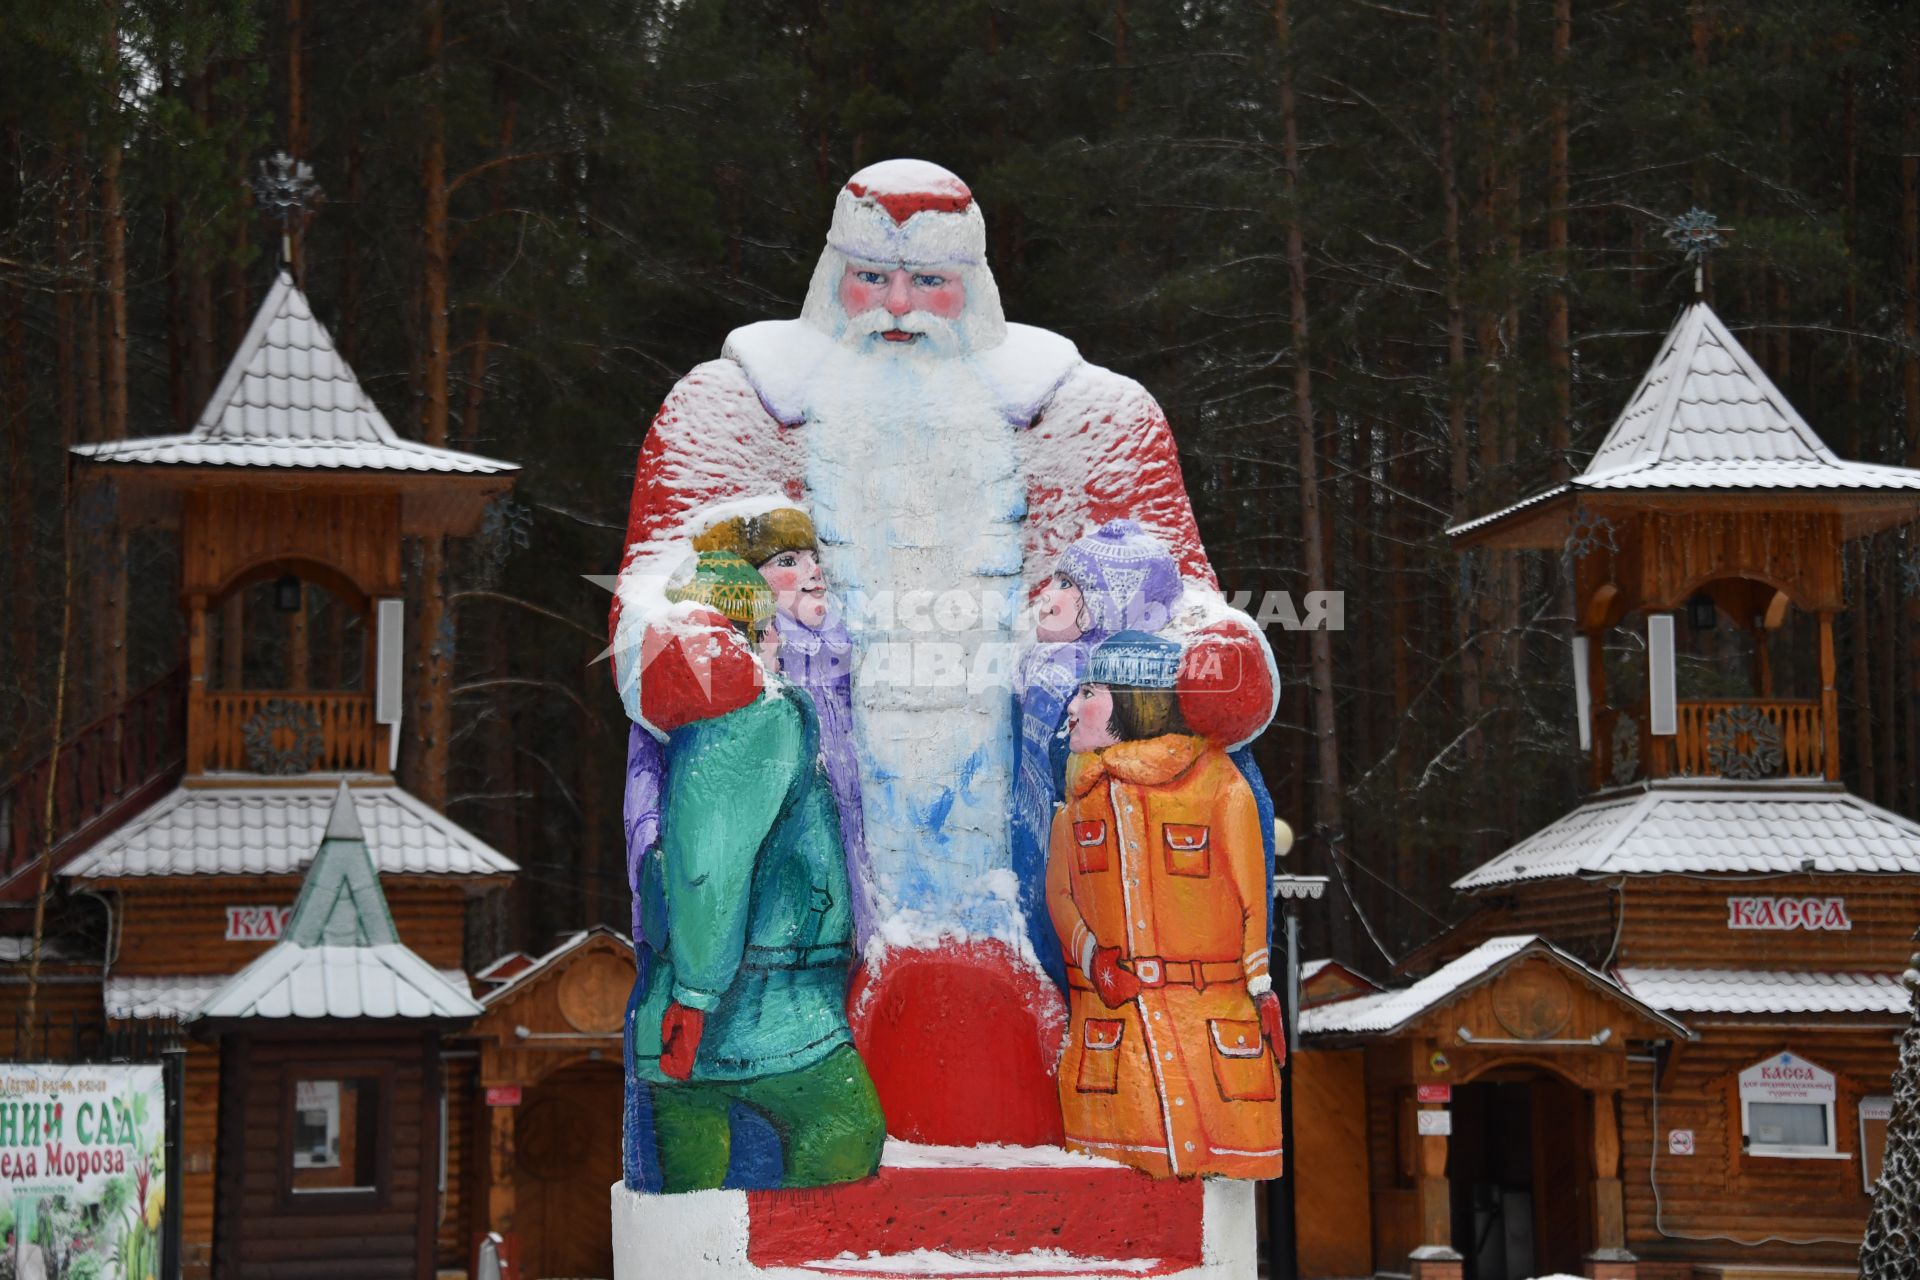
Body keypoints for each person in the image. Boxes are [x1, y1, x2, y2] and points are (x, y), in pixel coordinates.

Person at [610, 158, 1278, 1144]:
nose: (897, 309)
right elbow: (662, 581)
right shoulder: (731, 408)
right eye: (871, 279)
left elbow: (1173, 588)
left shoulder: (1090, 415)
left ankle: (1133, 1059)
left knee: (1193, 769)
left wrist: (1206, 656)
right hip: (823, 795)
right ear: (830, 281)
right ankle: (747, 1045)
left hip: (1026, 805)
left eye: (928, 283)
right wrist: (683, 644)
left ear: (974, 288)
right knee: (736, 749)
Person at [624, 550, 885, 1192]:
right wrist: (698, 994)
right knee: (847, 1126)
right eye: (767, 626)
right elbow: (708, 868)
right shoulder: (756, 720)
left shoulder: (690, 726)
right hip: (758, 1006)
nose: (777, 641)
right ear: (753, 631)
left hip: (689, 1006)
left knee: (690, 1173)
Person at [1046, 631, 1285, 1179]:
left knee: (1217, 1157)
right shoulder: (1080, 797)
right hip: (1115, 1029)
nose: (1076, 706)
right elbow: (1059, 893)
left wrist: (1260, 986)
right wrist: (1092, 959)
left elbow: (1251, 895)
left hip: (1208, 1022)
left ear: (1135, 701)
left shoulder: (1220, 786)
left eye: (1092, 691)